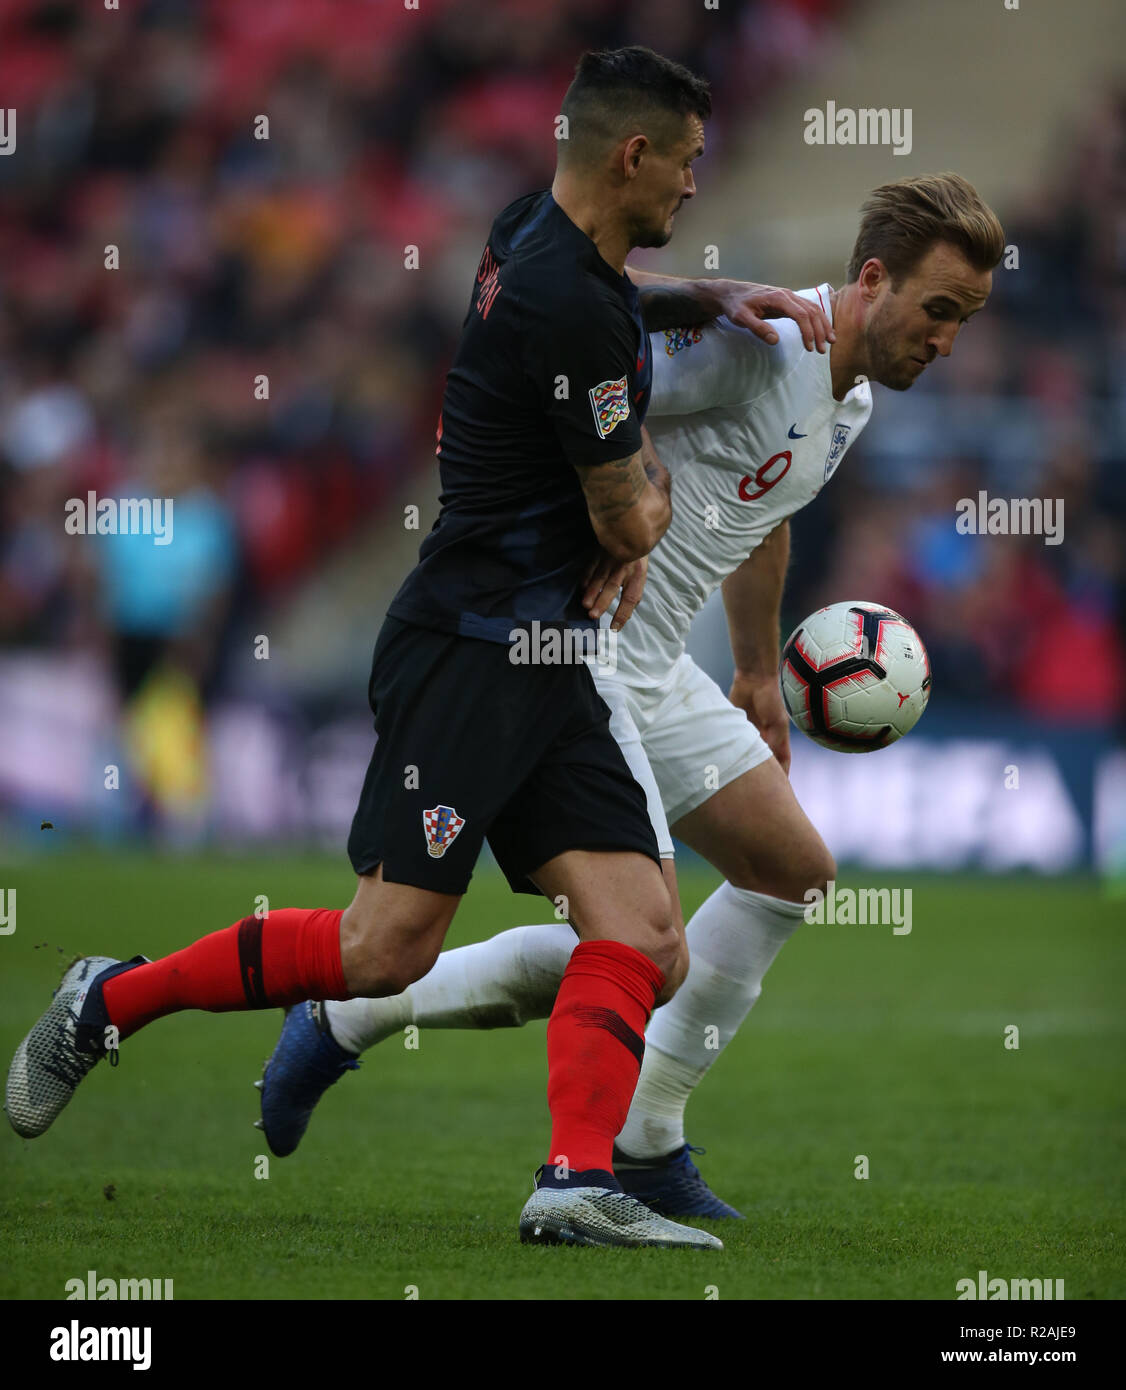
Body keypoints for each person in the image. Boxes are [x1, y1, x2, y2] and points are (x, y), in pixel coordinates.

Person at [6, 47, 831, 1251]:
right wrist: (652, 502)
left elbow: (612, 300)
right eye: (690, 162)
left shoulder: (531, 230)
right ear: (632, 154)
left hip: (551, 653)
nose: (696, 186)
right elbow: (625, 516)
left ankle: (572, 1178)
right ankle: (106, 996)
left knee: (644, 934)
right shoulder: (566, 302)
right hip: (475, 649)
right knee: (381, 949)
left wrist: (702, 297)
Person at [259, 173, 1004, 1220]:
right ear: (872, 278)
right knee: (638, 943)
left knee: (789, 871)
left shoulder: (850, 396)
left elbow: (766, 511)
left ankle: (642, 1134)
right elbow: (593, 382)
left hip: (662, 669)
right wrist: (627, 500)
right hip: (583, 650)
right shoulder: (766, 344)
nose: (946, 340)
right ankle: (366, 1027)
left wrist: (756, 673)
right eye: (937, 311)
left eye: (964, 322)